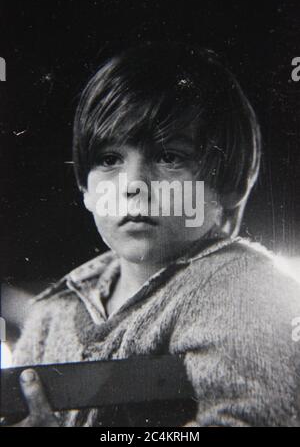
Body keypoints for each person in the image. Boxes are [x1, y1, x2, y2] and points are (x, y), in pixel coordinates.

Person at [10, 42, 300, 427]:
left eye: (169, 157)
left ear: (229, 185)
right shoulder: (52, 312)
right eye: (109, 160)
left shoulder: (244, 292)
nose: (133, 185)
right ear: (85, 191)